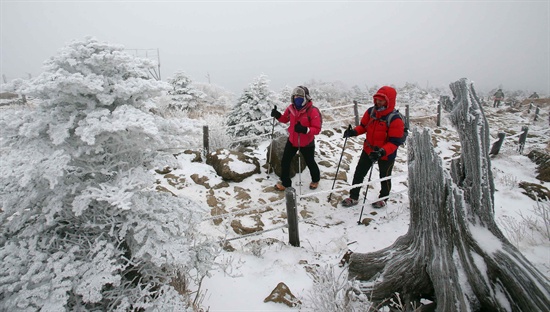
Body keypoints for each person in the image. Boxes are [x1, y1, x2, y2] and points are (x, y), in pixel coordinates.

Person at [341, 86, 405, 208]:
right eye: (377, 99)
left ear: (389, 101)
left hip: (386, 154)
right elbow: (364, 126)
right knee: (359, 173)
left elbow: (395, 142)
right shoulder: (371, 112)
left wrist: (382, 152)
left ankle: (383, 198)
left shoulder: (395, 119)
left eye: (382, 100)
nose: (378, 102)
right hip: (369, 149)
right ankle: (353, 197)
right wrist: (354, 132)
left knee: (384, 176)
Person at [271, 86, 322, 191]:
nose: (297, 98)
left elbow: (317, 129)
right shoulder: (291, 108)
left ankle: (315, 179)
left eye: (300, 96)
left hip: (307, 142)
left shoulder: (312, 111)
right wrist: (278, 115)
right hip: (292, 140)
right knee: (285, 160)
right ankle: (286, 183)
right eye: (295, 96)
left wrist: (305, 129)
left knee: (310, 162)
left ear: (306, 97)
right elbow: (285, 119)